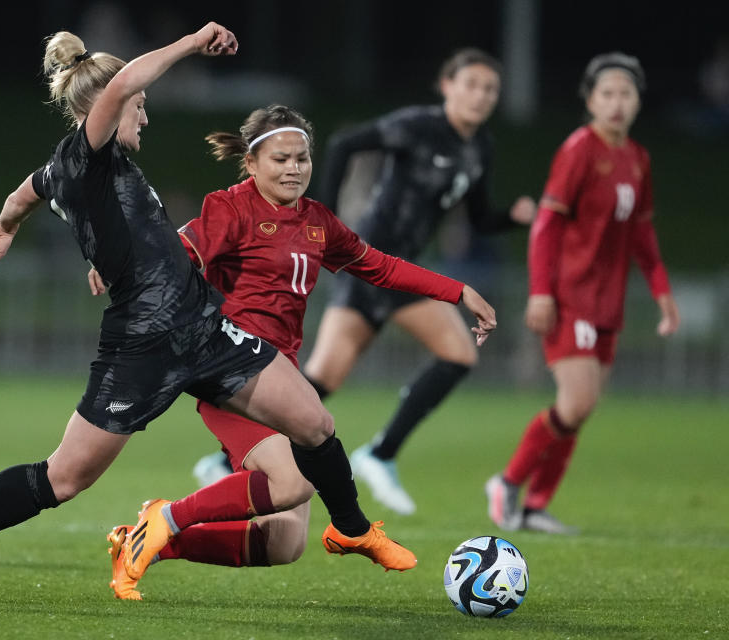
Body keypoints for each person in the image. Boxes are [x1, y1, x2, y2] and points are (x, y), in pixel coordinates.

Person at [0, 23, 428, 605]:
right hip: (141, 345)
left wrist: (5, 226)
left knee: (315, 425)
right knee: (63, 479)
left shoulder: (72, 165)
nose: (144, 115)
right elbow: (120, 90)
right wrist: (193, 43)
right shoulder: (87, 154)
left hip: (204, 327)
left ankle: (352, 529)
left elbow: (29, 189)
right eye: (138, 106)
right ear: (109, 107)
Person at [93, 105, 497, 599]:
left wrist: (458, 291)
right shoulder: (232, 206)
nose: (294, 168)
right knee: (292, 481)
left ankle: (147, 543)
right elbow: (183, 249)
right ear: (252, 163)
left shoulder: (317, 221)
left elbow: (382, 266)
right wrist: (125, 265)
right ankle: (168, 518)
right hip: (228, 373)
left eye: (302, 158)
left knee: (283, 541)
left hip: (280, 376)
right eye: (281, 158)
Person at [295, 48, 536, 515]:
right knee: (458, 352)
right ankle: (380, 454)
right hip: (377, 264)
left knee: (323, 378)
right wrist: (320, 213)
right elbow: (346, 142)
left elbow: (480, 217)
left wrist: (513, 217)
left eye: (490, 89)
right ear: (446, 86)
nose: (480, 95)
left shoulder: (479, 146)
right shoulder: (419, 126)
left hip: (388, 268)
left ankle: (228, 461)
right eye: (470, 84)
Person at [485, 52, 680, 534]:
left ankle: (535, 506)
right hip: (572, 296)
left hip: (608, 302)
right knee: (576, 403)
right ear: (590, 100)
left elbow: (642, 235)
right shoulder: (579, 150)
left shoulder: (638, 159)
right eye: (607, 93)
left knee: (582, 408)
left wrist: (662, 292)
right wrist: (540, 292)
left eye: (625, 93)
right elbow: (547, 225)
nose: (616, 103)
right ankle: (507, 483)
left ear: (637, 101)